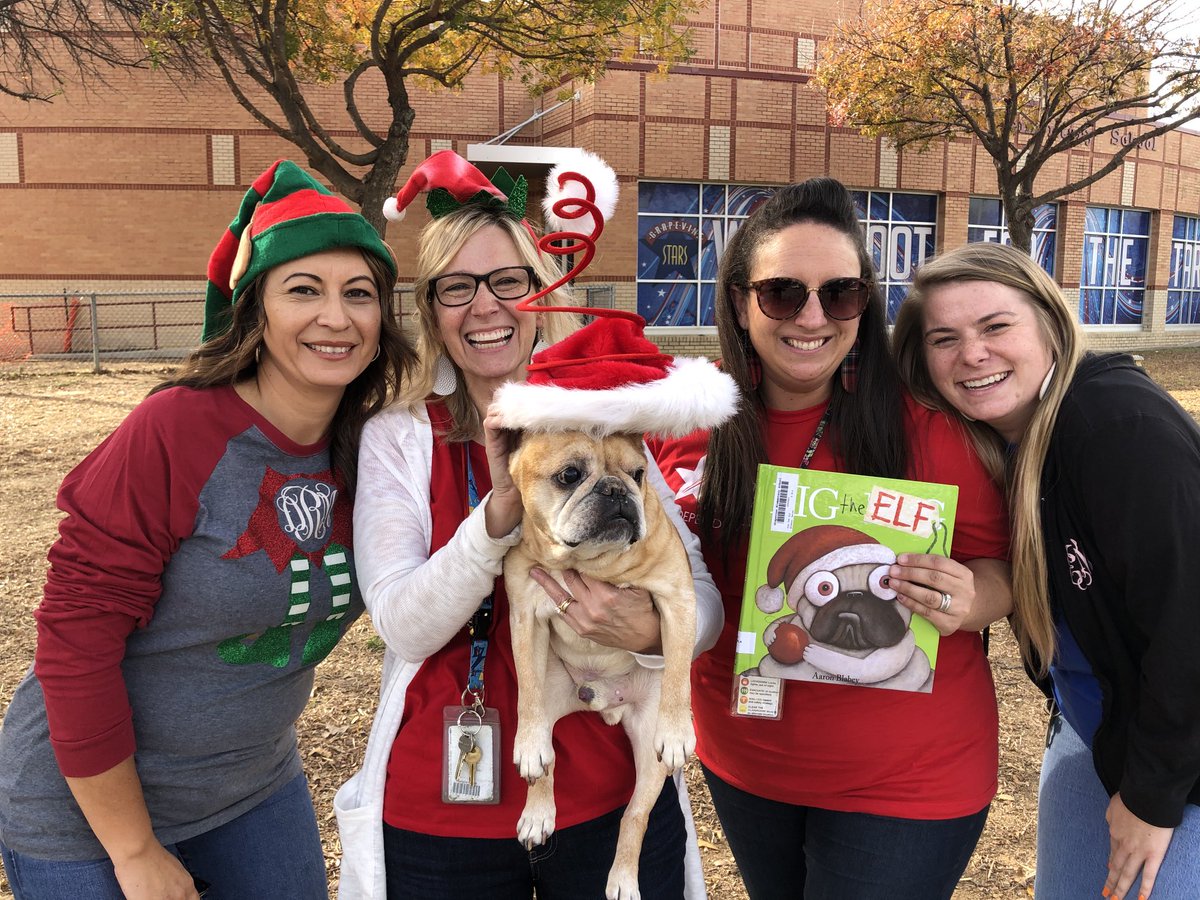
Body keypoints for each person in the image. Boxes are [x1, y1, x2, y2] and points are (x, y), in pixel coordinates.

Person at [0, 160, 415, 900]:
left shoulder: (378, 446)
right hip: (87, 813)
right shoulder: (177, 430)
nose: (337, 317)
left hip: (252, 788)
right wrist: (134, 851)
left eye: (359, 293)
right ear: (255, 311)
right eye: (303, 290)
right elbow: (75, 642)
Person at [333, 151, 723, 899]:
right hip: (442, 811)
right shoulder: (401, 435)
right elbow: (403, 627)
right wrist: (497, 519)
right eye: (457, 287)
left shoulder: (606, 420)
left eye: (509, 281)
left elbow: (698, 599)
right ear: (432, 310)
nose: (485, 307)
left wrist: (646, 630)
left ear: (542, 292)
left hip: (606, 793)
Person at [649, 177, 1012, 900]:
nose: (812, 316)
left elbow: (1002, 569)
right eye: (782, 293)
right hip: (745, 764)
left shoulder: (929, 430)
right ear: (740, 302)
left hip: (907, 782)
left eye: (841, 293)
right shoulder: (684, 419)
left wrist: (970, 599)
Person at [893, 241, 1200, 900]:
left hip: (1178, 763)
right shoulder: (1005, 442)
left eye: (996, 326)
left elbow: (1191, 623)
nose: (972, 353)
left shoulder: (1117, 427)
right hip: (1093, 730)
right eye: (944, 338)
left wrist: (1152, 798)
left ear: (1050, 325)